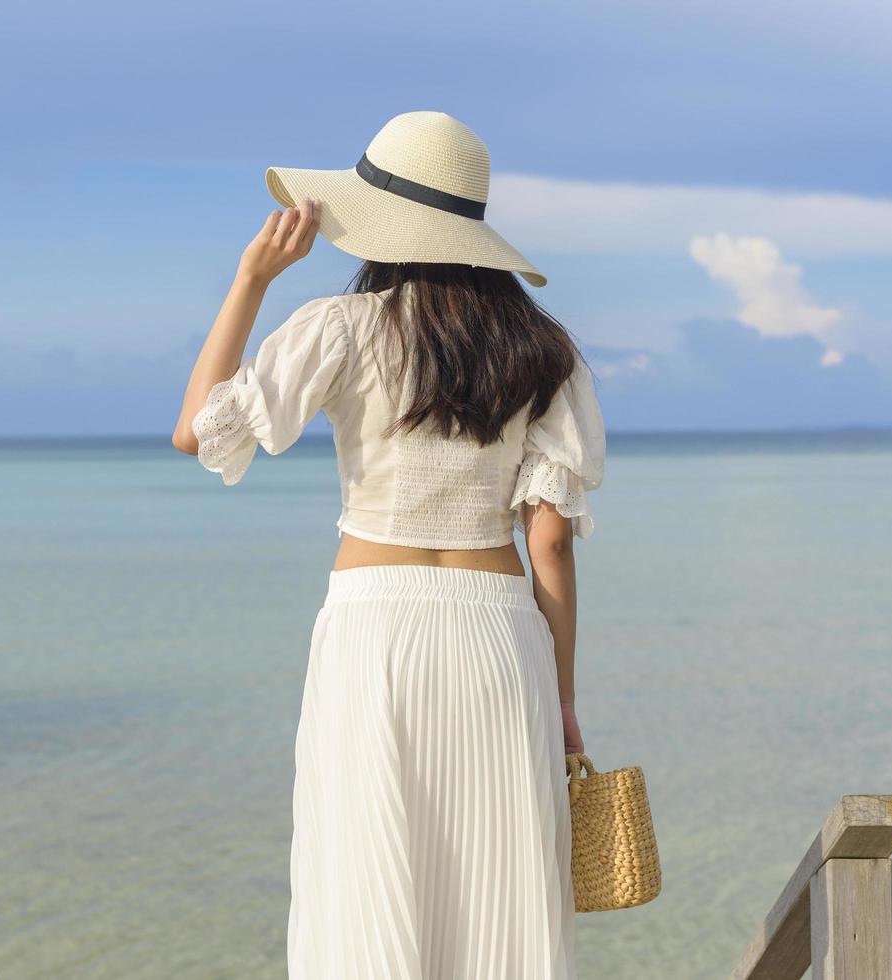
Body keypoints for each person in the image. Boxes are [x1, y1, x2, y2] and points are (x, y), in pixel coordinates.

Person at [171, 111, 604, 980]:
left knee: (366, 875)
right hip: (498, 637)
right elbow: (549, 543)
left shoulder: (341, 325)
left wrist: (250, 281)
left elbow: (198, 432)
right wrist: (560, 703)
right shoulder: (546, 353)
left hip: (375, 630)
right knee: (496, 887)